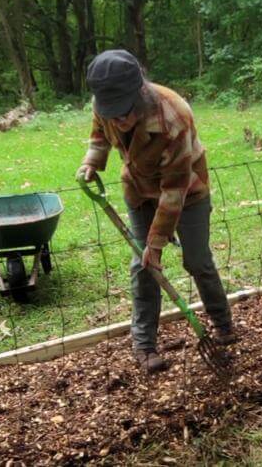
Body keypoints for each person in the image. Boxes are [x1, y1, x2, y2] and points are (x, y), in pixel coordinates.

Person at [77, 49, 236, 374]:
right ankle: (144, 345)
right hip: (139, 191)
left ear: (138, 92)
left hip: (186, 192)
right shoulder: (104, 105)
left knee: (197, 260)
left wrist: (157, 242)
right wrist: (92, 161)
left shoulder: (172, 116)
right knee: (143, 267)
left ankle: (223, 326)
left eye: (124, 112)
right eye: (112, 114)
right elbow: (98, 134)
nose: (118, 120)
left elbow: (174, 190)